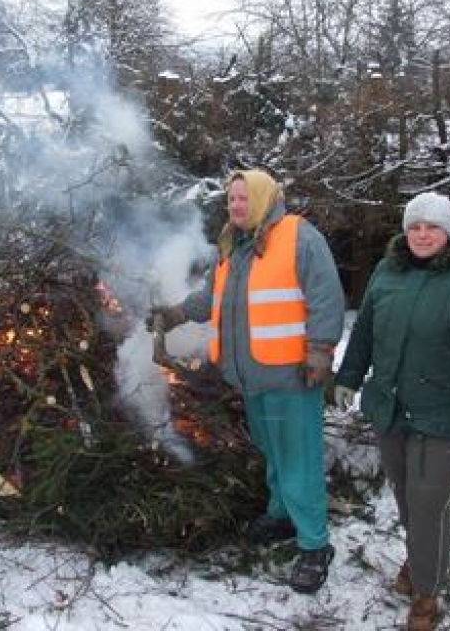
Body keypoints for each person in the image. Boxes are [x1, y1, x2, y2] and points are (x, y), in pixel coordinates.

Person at [148, 169, 345, 593]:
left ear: (264, 198)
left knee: (299, 461)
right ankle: (282, 516)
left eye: (244, 198)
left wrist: (320, 350)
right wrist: (177, 313)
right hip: (252, 377)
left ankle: (315, 546)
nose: (236, 205)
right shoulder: (233, 246)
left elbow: (326, 296)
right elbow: (211, 299)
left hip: (292, 377)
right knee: (275, 453)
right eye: (232, 199)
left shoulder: (298, 236)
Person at [333, 191, 450, 631]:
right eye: (415, 226)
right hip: (391, 407)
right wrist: (349, 376)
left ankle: (426, 594)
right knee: (408, 497)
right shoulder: (388, 270)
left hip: (445, 413)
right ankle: (422, 559)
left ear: (448, 232)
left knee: (427, 503)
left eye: (432, 227)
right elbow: (365, 330)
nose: (423, 234)